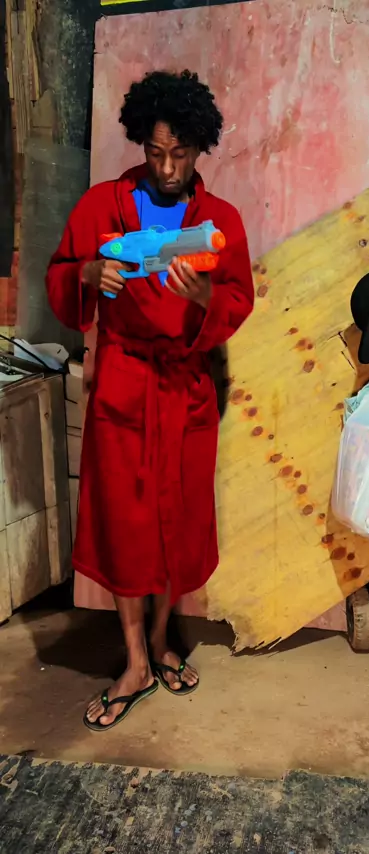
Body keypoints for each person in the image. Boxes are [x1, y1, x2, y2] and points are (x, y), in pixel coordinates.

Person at [46, 70, 254, 731]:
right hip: (123, 386)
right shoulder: (102, 207)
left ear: (199, 149)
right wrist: (88, 271)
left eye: (180, 154)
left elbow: (240, 299)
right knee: (126, 525)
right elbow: (61, 274)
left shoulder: (219, 223)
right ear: (142, 142)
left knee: (177, 525)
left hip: (184, 391)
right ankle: (135, 661)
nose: (166, 168)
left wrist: (204, 296)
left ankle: (163, 640)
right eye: (155, 152)